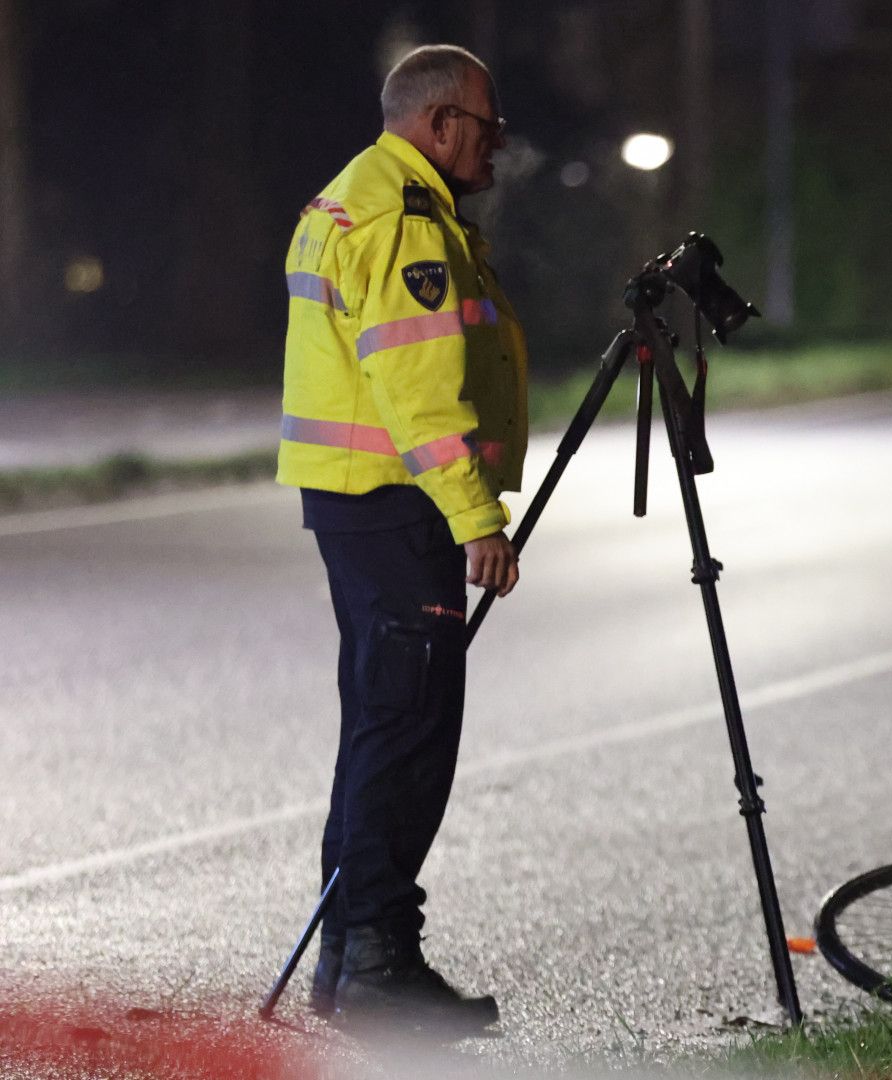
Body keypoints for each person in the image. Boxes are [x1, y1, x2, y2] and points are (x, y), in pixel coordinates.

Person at [276, 44, 527, 1030]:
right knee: (408, 736)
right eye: (487, 124)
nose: (498, 141)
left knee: (386, 724)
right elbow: (419, 392)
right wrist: (478, 519)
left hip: (363, 501)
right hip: (398, 502)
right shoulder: (401, 222)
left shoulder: (358, 197)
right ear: (438, 125)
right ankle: (375, 965)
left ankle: (352, 960)